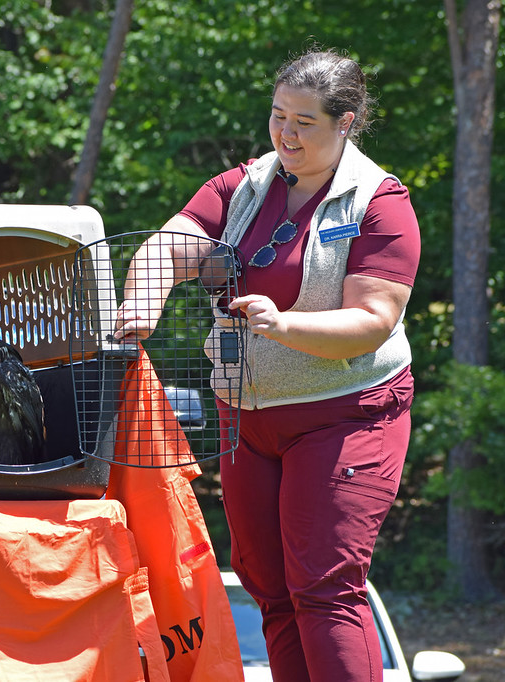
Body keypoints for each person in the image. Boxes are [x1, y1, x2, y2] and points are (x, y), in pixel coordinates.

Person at [112, 49, 420, 681]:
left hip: (346, 414)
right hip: (247, 418)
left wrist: (283, 324)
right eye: (278, 115)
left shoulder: (380, 202)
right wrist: (140, 307)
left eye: (305, 121)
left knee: (325, 585)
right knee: (269, 588)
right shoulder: (244, 184)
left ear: (347, 122)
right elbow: (172, 244)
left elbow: (371, 323)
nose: (286, 133)